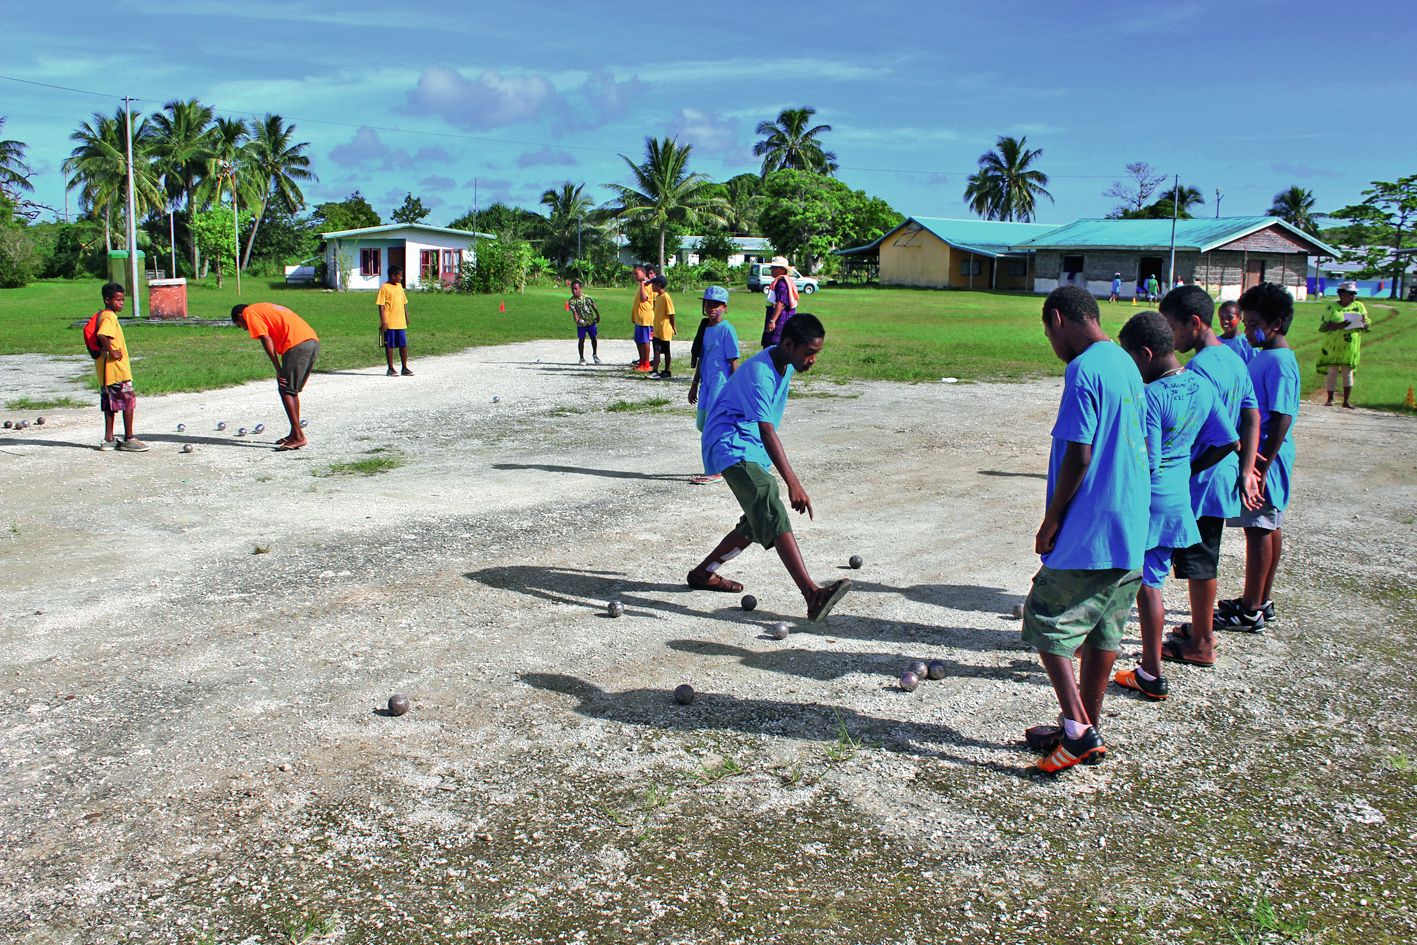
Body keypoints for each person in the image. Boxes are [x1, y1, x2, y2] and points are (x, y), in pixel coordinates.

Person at [1021, 285, 1149, 774]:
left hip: (1091, 524)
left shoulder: (1084, 369)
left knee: (1047, 620)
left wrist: (1051, 520)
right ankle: (1084, 724)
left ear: (1057, 319)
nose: (1053, 345)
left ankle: (1078, 732)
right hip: (1131, 524)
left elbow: (1079, 453)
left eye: (1048, 332)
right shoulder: (1124, 365)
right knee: (1103, 630)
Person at [687, 313, 852, 623]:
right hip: (728, 441)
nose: (813, 360)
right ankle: (812, 594)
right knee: (766, 495)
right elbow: (767, 430)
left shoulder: (785, 363)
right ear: (788, 344)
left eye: (817, 353)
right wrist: (793, 482)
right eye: (809, 352)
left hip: (748, 442)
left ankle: (702, 573)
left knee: (757, 519)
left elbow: (765, 428)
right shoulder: (761, 373)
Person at [1112, 310, 1238, 701]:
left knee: (1146, 586)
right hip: (1178, 498)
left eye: (1131, 358)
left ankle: (1151, 672)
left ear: (1146, 354)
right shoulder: (1201, 386)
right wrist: (1186, 469)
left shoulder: (1150, 396)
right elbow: (1228, 441)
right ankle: (1135, 659)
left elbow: (1146, 463)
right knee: (1154, 578)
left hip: (1148, 499)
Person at [1160, 286, 1261, 667]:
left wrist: (1179, 466)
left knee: (1199, 562)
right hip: (1221, 478)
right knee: (1203, 556)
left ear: (1194, 323)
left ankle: (1202, 643)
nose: (1168, 336)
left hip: (1201, 479)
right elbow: (1251, 415)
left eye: (1170, 327)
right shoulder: (1234, 359)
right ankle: (1201, 629)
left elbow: (1205, 429)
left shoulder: (1199, 369)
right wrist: (1248, 468)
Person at [1216, 283, 1300, 633]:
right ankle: (1260, 598)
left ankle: (1250, 610)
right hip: (1267, 454)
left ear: (1276, 323)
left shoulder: (1277, 361)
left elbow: (1282, 416)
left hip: (1267, 455)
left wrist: (1259, 467)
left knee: (1258, 528)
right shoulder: (1270, 356)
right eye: (1246, 324)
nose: (1248, 330)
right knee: (1270, 525)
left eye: (1253, 324)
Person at [231, 302, 320, 451]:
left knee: (286, 389)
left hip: (296, 344)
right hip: (311, 341)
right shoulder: (263, 308)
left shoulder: (249, 312)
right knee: (291, 390)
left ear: (240, 316)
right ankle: (294, 433)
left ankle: (299, 436)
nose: (245, 328)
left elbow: (265, 338)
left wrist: (278, 368)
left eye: (241, 325)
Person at [687, 285, 740, 485]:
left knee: (711, 428)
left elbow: (733, 362)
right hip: (706, 385)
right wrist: (694, 384)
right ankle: (728, 458)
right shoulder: (705, 328)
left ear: (724, 307)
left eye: (716, 305)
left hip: (721, 385)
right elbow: (702, 358)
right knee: (703, 424)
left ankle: (715, 470)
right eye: (708, 304)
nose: (711, 308)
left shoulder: (727, 330)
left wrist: (737, 390)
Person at [92, 281, 149, 452]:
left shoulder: (103, 315)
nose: (121, 303)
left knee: (110, 405)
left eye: (122, 300)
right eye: (117, 300)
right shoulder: (109, 316)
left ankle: (108, 439)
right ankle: (129, 438)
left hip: (106, 372)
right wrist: (113, 351)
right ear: (107, 300)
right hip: (117, 370)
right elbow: (102, 334)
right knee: (128, 402)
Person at [1316, 280, 1370, 409]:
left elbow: (1366, 321)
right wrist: (1339, 325)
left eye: (1354, 293)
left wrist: (1365, 323)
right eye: (1350, 293)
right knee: (1332, 371)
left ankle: (1346, 400)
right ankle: (1330, 399)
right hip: (1333, 345)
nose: (1353, 296)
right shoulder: (1331, 307)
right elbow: (1323, 326)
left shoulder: (1359, 306)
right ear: (1341, 294)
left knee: (1348, 372)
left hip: (1350, 345)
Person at [377, 265, 412, 377]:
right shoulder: (384, 287)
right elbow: (381, 306)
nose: (401, 278)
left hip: (400, 321)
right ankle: (391, 368)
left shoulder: (400, 286)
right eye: (399, 276)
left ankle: (404, 368)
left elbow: (404, 303)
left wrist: (407, 317)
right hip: (390, 322)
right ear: (393, 276)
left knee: (403, 345)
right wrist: (383, 322)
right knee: (390, 345)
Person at [762, 256, 799, 348]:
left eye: (774, 267)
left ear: (782, 270)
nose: (771, 269)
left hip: (780, 320)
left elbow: (780, 303)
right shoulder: (781, 281)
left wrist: (772, 321)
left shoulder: (781, 284)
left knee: (773, 345)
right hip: (781, 319)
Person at [567, 279, 601, 364]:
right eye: (572, 289)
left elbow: (594, 308)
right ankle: (581, 358)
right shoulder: (571, 301)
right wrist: (578, 321)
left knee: (593, 338)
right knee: (581, 339)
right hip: (581, 323)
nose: (574, 291)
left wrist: (598, 316)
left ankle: (595, 355)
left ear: (580, 288)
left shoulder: (587, 298)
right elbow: (574, 312)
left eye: (576, 289)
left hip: (590, 322)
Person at [649, 275, 676, 379]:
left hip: (665, 328)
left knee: (666, 350)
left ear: (659, 285)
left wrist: (674, 327)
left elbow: (671, 313)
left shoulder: (666, 297)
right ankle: (655, 370)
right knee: (656, 350)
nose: (652, 286)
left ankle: (667, 370)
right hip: (657, 328)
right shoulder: (657, 297)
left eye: (654, 284)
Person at [629, 265, 655, 373]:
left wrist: (643, 284)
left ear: (644, 274)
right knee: (638, 340)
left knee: (645, 341)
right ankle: (641, 362)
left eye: (637, 273)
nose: (635, 276)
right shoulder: (641, 285)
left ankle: (647, 363)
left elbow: (643, 298)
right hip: (639, 318)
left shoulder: (648, 286)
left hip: (646, 318)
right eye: (634, 274)